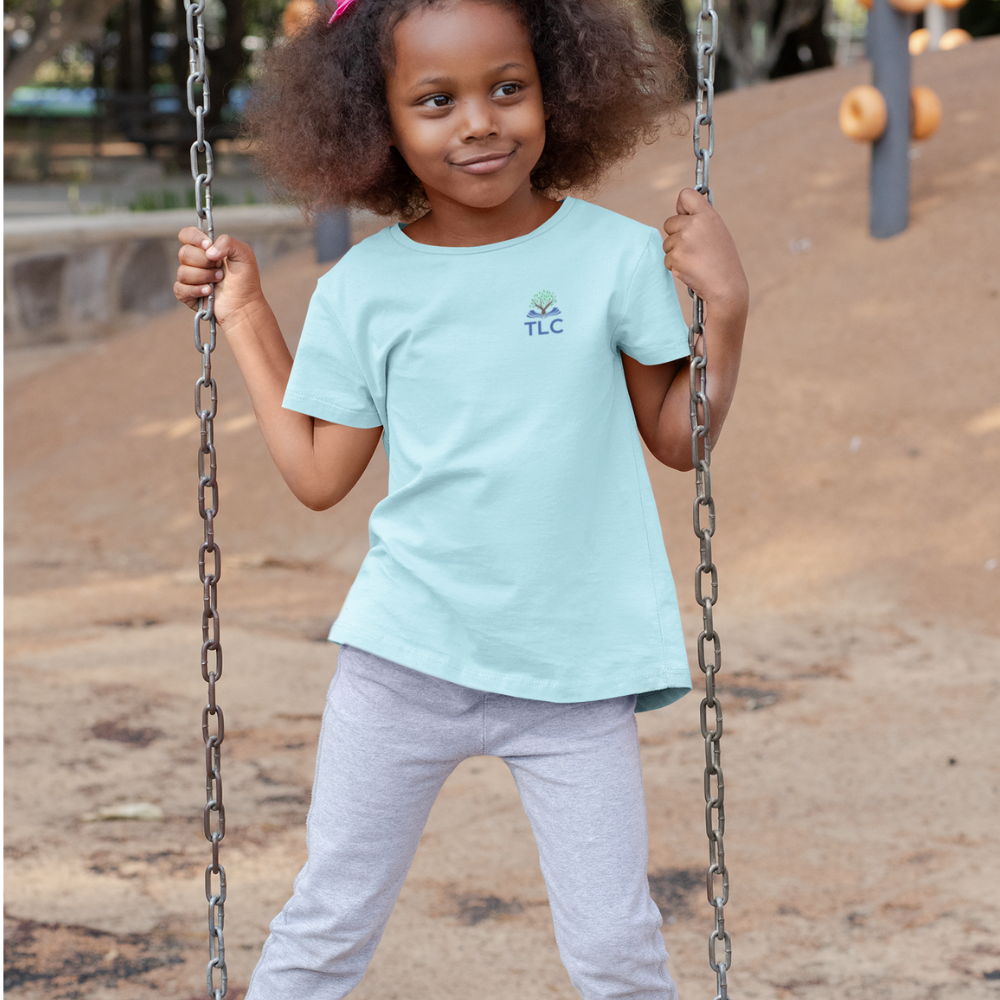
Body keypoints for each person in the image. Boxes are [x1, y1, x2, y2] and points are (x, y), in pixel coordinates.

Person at [173, 0, 748, 995]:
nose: (479, 122)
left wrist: (727, 310)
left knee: (617, 947)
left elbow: (679, 439)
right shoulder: (366, 288)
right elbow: (317, 475)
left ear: (556, 92)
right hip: (406, 660)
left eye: (507, 89)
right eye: (435, 100)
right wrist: (248, 313)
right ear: (377, 124)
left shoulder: (610, 257)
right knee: (326, 921)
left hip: (574, 672)